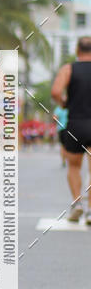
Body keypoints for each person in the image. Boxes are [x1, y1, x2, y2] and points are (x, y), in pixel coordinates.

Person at [51, 36, 91, 223]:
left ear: (77, 50)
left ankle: (77, 204)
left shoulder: (68, 69)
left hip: (76, 123)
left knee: (74, 166)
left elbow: (56, 91)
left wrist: (64, 103)